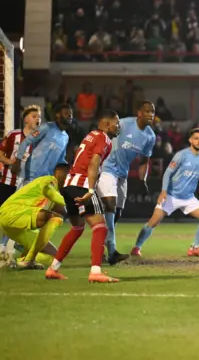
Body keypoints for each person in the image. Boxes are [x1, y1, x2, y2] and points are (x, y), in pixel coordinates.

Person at [45, 110, 121, 282]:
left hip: (69, 185)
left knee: (77, 228)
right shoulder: (104, 138)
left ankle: (53, 268)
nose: (119, 127)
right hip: (82, 185)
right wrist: (91, 190)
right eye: (117, 124)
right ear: (107, 124)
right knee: (100, 226)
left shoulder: (91, 135)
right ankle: (95, 271)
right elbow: (94, 162)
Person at [131, 129, 199, 256]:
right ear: (190, 140)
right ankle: (137, 247)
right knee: (153, 222)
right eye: (196, 138)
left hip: (188, 198)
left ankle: (194, 248)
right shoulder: (181, 155)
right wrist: (164, 191)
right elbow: (167, 173)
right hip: (171, 196)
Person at [96, 101, 156, 265]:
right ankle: (112, 249)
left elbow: (144, 160)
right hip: (107, 168)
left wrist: (143, 179)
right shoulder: (123, 123)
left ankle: (100, 244)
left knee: (117, 213)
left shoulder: (150, 136)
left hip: (123, 173)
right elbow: (103, 130)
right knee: (110, 204)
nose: (151, 114)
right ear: (139, 113)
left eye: (153, 112)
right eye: (147, 111)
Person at [0, 164, 68, 269]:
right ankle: (29, 259)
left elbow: (64, 209)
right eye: (67, 175)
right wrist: (71, 202)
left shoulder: (57, 191)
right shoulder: (49, 180)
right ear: (58, 173)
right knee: (55, 218)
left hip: (19, 225)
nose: (69, 179)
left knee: (55, 257)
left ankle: (15, 260)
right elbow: (49, 192)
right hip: (13, 212)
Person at [0, 105, 42, 259]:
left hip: (25, 185)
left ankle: (7, 248)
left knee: (17, 217)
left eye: (39, 117)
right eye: (34, 116)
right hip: (7, 181)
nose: (38, 119)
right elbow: (0, 152)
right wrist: (10, 161)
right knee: (4, 217)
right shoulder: (14, 135)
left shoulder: (40, 139)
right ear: (25, 119)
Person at [12, 103, 73, 186]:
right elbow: (25, 142)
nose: (70, 116)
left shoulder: (66, 137)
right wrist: (18, 161)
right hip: (31, 177)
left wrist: (70, 169)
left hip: (46, 180)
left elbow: (60, 160)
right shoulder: (46, 127)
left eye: (71, 114)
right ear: (58, 115)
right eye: (66, 113)